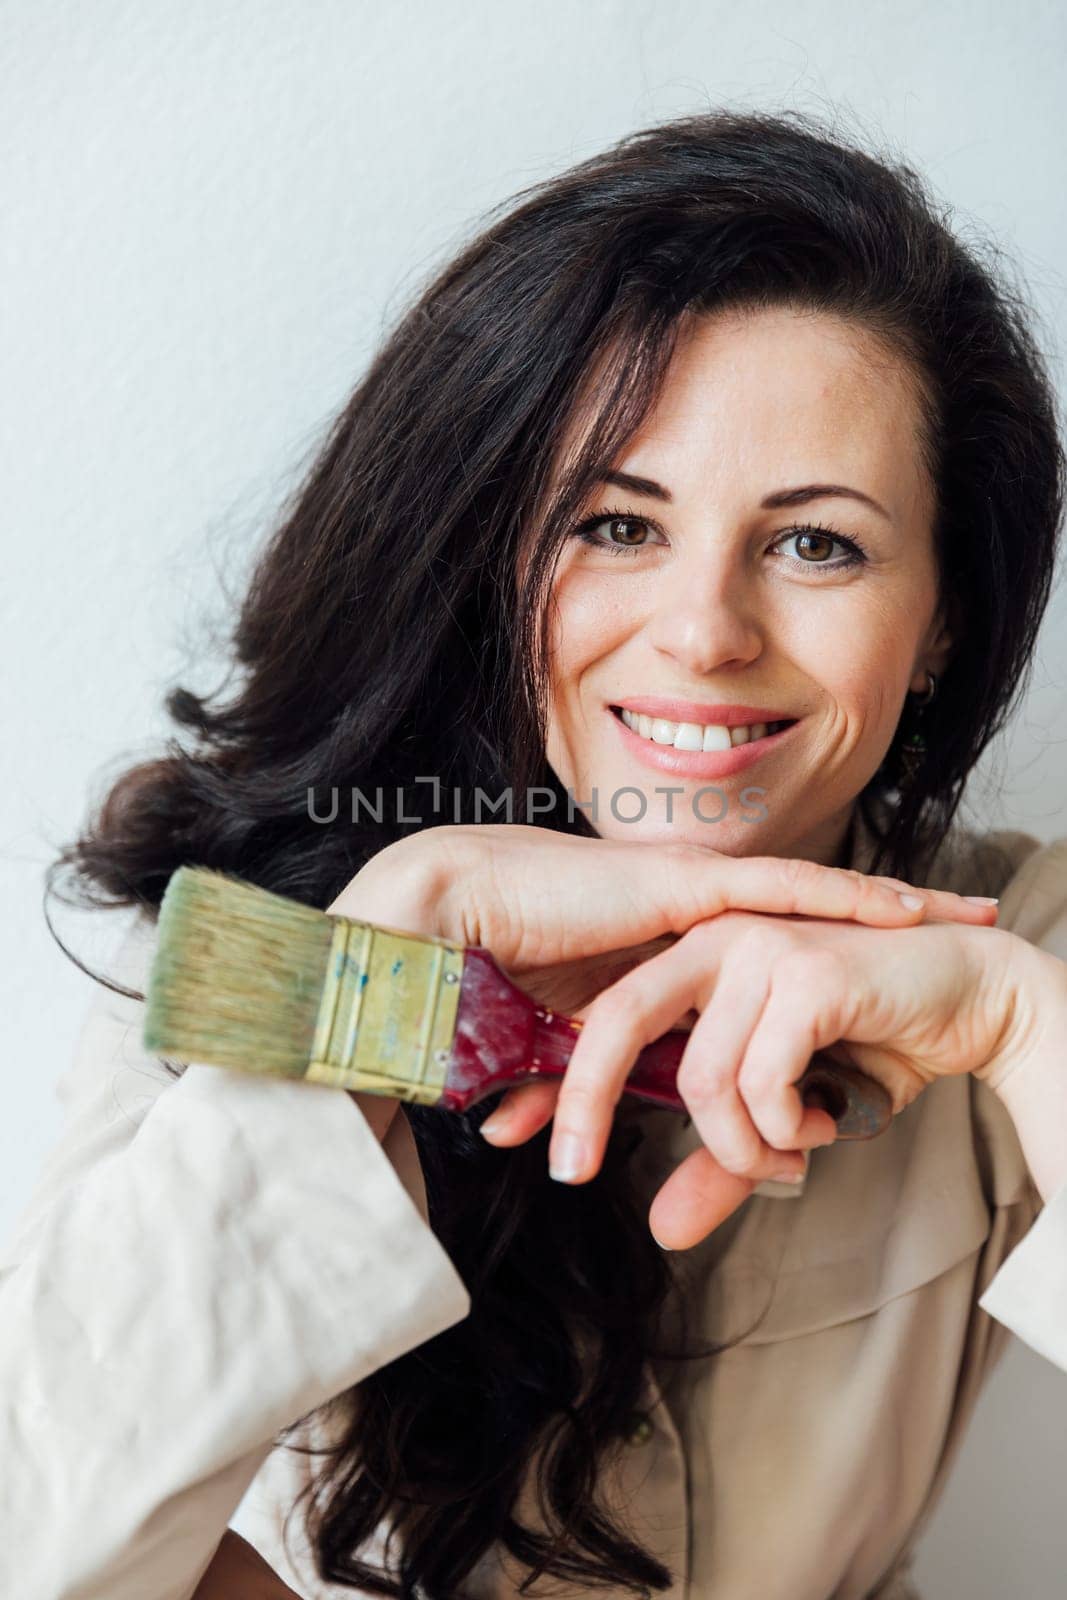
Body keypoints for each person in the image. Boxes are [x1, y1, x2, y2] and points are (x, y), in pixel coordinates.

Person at [3, 105, 1065, 1600]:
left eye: (817, 543)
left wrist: (1018, 1027)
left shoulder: (1018, 943)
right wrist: (393, 941)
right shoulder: (258, 938)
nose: (704, 633)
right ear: (490, 561)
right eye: (617, 527)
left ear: (946, 614)